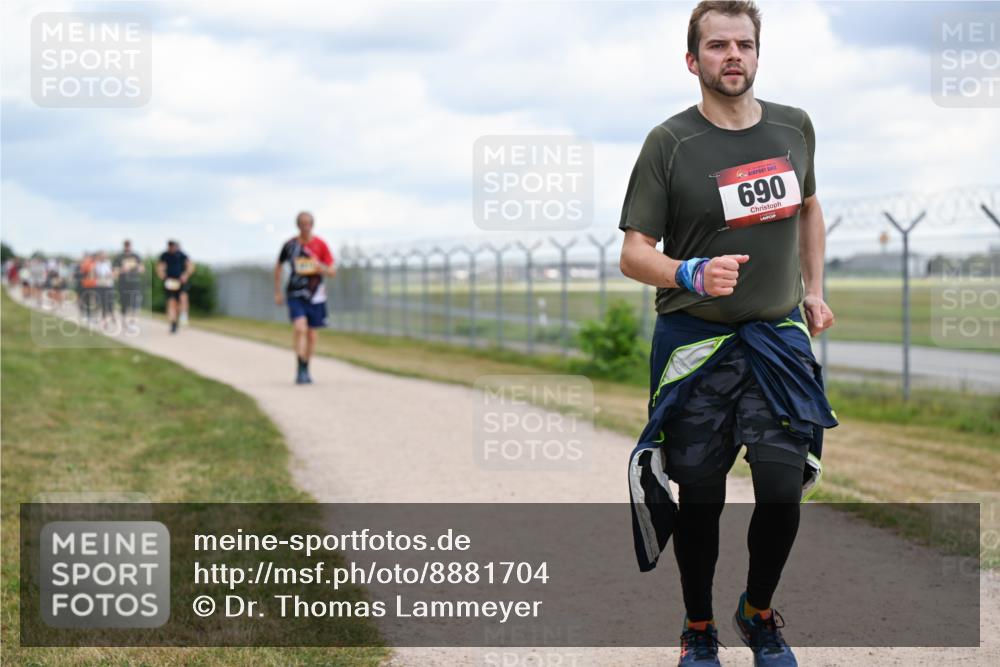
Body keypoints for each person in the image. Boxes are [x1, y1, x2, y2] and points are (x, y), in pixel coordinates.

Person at [618, 3, 837, 666]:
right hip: (696, 343)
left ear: (758, 54)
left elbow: (808, 207)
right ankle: (698, 627)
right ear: (694, 60)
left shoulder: (795, 127)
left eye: (744, 44)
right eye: (717, 46)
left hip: (776, 339)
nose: (732, 55)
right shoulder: (669, 142)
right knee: (702, 498)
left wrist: (814, 288)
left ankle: (758, 611)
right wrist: (689, 270)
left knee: (781, 486)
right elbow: (633, 252)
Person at [273, 211, 336, 384]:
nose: (306, 227)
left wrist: (319, 267)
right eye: (302, 223)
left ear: (313, 225)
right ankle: (299, 367)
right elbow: (278, 266)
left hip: (315, 295)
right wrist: (277, 291)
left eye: (308, 223)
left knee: (311, 335)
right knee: (300, 328)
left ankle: (306, 367)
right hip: (295, 293)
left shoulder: (320, 245)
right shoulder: (290, 245)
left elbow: (332, 271)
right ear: (297, 225)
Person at [157, 240, 195, 334]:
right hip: (170, 282)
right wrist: (162, 275)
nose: (171, 248)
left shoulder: (182, 255)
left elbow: (190, 266)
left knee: (183, 298)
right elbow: (160, 267)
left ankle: (183, 316)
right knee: (171, 303)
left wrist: (185, 275)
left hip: (180, 281)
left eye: (173, 246)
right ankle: (173, 323)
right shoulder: (164, 255)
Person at [114, 240, 145, 320]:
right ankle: (124, 316)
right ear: (124, 246)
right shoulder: (119, 257)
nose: (127, 247)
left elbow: (142, 269)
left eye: (128, 245)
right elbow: (115, 272)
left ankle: (132, 317)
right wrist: (123, 269)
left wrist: (136, 268)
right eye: (126, 245)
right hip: (123, 282)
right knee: (124, 300)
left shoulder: (136, 256)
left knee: (134, 299)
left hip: (134, 282)